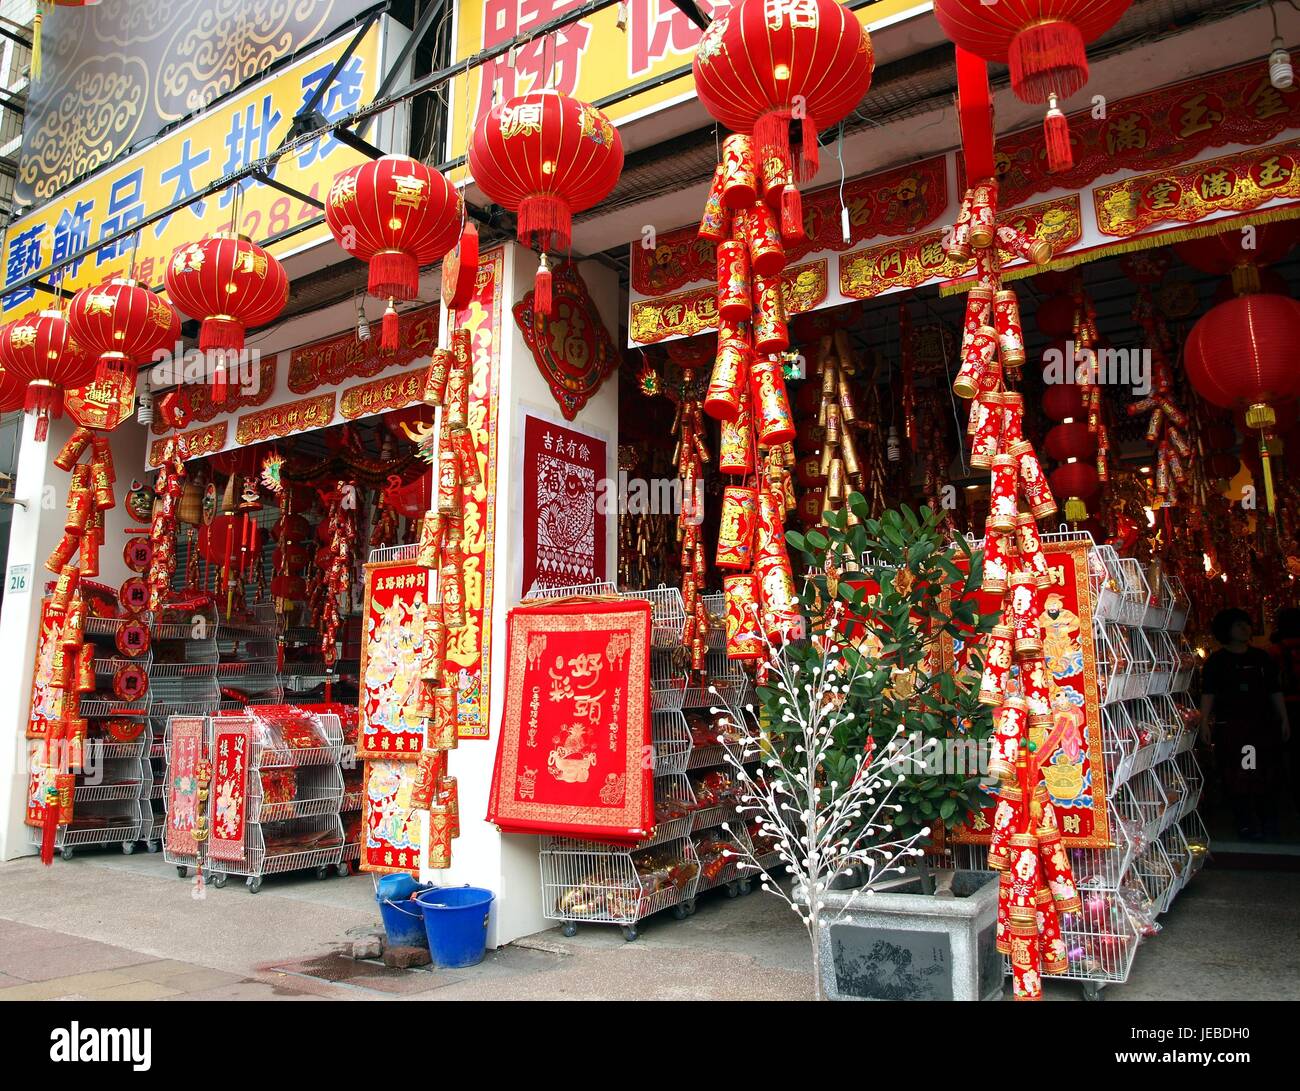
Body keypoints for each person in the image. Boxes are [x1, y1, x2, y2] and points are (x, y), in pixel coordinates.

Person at [1201, 608, 1290, 840]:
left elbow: (1274, 690)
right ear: (1226, 630)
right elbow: (1208, 694)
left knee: (1266, 773)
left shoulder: (1261, 658)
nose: (1245, 629)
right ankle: (1247, 822)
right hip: (1235, 730)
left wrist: (1283, 718)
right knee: (1242, 774)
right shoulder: (1217, 662)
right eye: (1238, 625)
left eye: (1246, 624)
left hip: (1262, 727)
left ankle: (1267, 820)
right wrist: (1204, 722)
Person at [1269, 607, 1300, 812]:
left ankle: (1290, 793)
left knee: (1290, 753)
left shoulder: (1275, 651)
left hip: (1287, 704)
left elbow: (1272, 685)